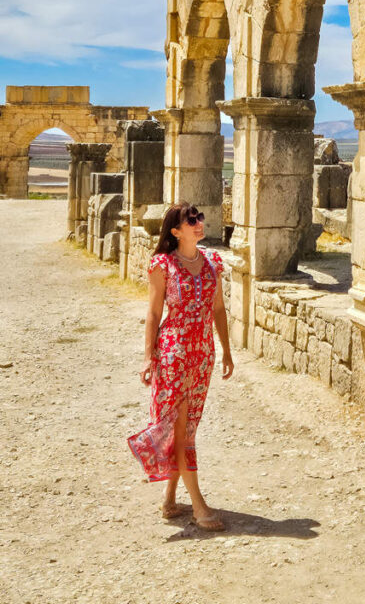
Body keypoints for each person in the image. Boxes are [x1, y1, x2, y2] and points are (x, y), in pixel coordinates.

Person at [127, 202, 234, 529]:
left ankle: (170, 499)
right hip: (174, 354)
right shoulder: (163, 265)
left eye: (200, 218)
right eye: (192, 221)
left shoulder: (212, 262)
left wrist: (226, 351)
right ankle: (199, 507)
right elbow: (154, 314)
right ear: (176, 231)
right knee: (180, 427)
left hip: (202, 354)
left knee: (186, 428)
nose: (199, 224)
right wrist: (148, 356)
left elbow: (217, 310)